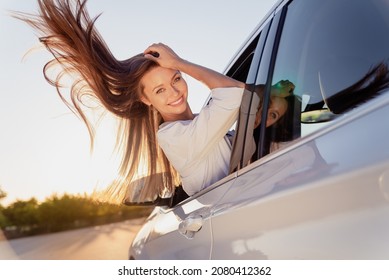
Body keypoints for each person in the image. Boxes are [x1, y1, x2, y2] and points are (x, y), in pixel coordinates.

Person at [15, 0, 245, 202]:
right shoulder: (175, 137)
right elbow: (236, 92)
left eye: (176, 78)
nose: (174, 92)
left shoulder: (206, 126)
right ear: (146, 98)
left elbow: (242, 103)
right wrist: (179, 61)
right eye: (160, 90)